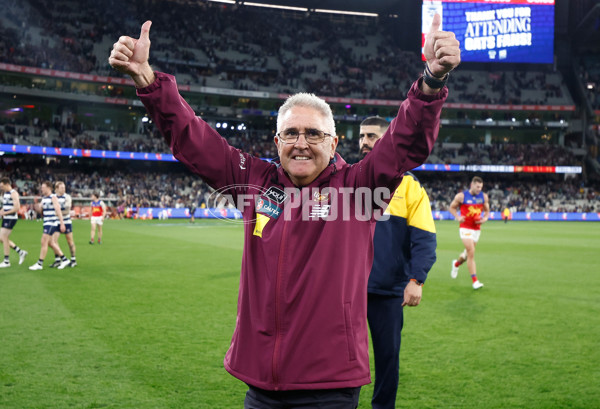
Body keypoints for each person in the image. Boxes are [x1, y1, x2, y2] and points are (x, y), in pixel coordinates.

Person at [109, 15, 459, 407]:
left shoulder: (359, 189)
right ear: (277, 142)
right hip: (261, 384)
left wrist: (431, 80)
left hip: (329, 386)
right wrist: (146, 79)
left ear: (334, 142)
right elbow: (194, 139)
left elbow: (405, 142)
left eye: (314, 134)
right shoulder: (254, 183)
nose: (301, 143)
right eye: (291, 133)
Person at [359, 117, 437, 409]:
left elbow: (425, 238)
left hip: (388, 290)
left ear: (387, 139)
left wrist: (416, 279)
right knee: (340, 357)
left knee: (387, 358)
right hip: (347, 289)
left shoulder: (409, 186)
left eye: (371, 136)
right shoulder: (350, 179)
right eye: (362, 136)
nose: (364, 142)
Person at [448, 176, 489, 289]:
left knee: (467, 254)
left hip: (476, 229)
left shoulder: (483, 197)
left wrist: (484, 219)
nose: (479, 189)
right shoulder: (461, 196)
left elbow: (487, 211)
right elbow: (451, 207)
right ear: (472, 185)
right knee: (471, 252)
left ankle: (456, 264)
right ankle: (475, 281)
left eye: (480, 187)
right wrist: (457, 217)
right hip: (465, 228)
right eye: (477, 187)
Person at [29, 181, 70, 270]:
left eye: (43, 187)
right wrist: (36, 205)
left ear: (49, 188)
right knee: (51, 243)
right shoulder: (44, 198)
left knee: (43, 241)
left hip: (51, 222)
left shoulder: (53, 197)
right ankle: (65, 259)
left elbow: (58, 211)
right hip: (46, 222)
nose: (41, 189)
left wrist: (62, 223)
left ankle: (40, 263)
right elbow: (41, 211)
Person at [0, 177, 28, 267]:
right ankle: (20, 252)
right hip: (7, 217)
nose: (1, 188)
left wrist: (5, 212)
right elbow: (7, 206)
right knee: (3, 238)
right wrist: (2, 210)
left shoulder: (14, 193)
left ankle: (6, 261)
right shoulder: (6, 193)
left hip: (11, 218)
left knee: (3, 237)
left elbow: (17, 208)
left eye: (2, 186)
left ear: (7, 184)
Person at [50, 181, 77, 267]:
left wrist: (55, 213)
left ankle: (73, 259)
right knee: (53, 241)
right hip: (56, 222)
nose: (64, 189)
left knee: (69, 241)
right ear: (56, 188)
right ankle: (57, 259)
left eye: (64, 187)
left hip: (66, 221)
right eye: (62, 188)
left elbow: (67, 211)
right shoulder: (53, 197)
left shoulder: (67, 197)